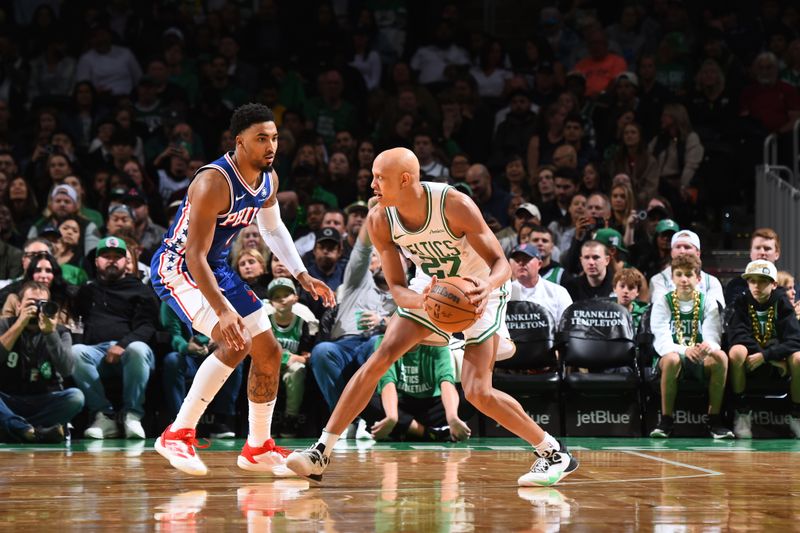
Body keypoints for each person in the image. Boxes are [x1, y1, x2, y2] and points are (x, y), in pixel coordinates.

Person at [286, 147, 578, 487]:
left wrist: (484, 286)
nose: (372, 185)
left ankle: (554, 453)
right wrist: (421, 301)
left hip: (477, 288)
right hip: (433, 286)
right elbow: (396, 286)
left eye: (380, 178)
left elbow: (501, 264)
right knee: (380, 358)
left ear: (406, 179)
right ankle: (321, 452)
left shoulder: (453, 204)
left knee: (478, 392)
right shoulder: (380, 217)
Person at [150, 104, 334, 476]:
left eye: (275, 138)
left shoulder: (269, 179)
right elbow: (194, 256)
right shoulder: (212, 182)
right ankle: (177, 433)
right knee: (236, 342)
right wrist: (221, 309)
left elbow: (272, 228)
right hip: (180, 266)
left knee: (269, 351)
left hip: (216, 267)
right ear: (240, 142)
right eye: (262, 139)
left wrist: (302, 275)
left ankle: (257, 448)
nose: (271, 146)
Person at [71, 237, 159, 440]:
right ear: (96, 262)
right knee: (75, 352)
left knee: (137, 348)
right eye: (106, 256)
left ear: (125, 261)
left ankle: (132, 415)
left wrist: (122, 345)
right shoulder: (87, 291)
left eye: (117, 257)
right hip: (97, 354)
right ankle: (104, 416)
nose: (112, 260)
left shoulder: (140, 290)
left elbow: (148, 326)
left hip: (132, 355)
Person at [649, 254, 732, 439]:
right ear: (672, 278)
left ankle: (714, 419)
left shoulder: (708, 302)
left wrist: (705, 348)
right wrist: (685, 350)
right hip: (673, 357)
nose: (684, 279)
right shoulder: (663, 302)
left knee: (721, 357)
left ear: (698, 278)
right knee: (671, 358)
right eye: (679, 274)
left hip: (700, 358)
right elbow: (661, 342)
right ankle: (666, 421)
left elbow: (713, 337)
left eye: (689, 274)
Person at [0, 282, 83, 443]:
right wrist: (19, 324)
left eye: (42, 304)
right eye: (31, 303)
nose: (37, 308)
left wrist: (50, 333)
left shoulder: (60, 332)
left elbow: (66, 369)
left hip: (44, 399)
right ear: (18, 305)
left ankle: (15, 428)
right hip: (9, 398)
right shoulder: (4, 325)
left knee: (76, 398)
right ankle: (33, 431)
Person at [727, 261, 800, 439]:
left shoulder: (782, 303)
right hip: (751, 361)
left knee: (799, 358)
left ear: (774, 284)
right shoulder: (742, 302)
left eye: (762, 281)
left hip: (778, 363)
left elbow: (795, 340)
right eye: (752, 281)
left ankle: (796, 414)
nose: (756, 286)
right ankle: (742, 411)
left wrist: (766, 356)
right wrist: (765, 356)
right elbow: (737, 336)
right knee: (736, 351)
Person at [365, 338, 471, 442]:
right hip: (398, 404)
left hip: (430, 406)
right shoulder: (386, 341)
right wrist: (392, 417)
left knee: (469, 396)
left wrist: (452, 417)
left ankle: (404, 430)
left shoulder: (438, 341)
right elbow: (387, 383)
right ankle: (431, 433)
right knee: (365, 398)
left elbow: (446, 382)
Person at [266, 278, 315, 438]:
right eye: (276, 296)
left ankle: (290, 418)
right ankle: (265, 420)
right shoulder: (265, 323)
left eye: (286, 294)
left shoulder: (302, 324)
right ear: (271, 302)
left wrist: (296, 359)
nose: (281, 299)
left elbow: (307, 356)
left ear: (295, 298)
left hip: (289, 368)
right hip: (268, 366)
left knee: (298, 370)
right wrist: (285, 356)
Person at [649, 230, 725, 308]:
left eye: (687, 247)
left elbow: (716, 311)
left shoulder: (711, 282)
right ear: (671, 252)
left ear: (698, 253)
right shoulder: (658, 279)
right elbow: (660, 308)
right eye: (678, 247)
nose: (682, 251)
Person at [509, 243, 572, 323]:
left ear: (539, 264)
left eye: (526, 259)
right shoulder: (505, 293)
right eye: (517, 260)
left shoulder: (558, 292)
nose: (521, 263)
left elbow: (567, 325)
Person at [724, 228, 781, 306]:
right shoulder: (735, 286)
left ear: (777, 254)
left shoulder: (788, 285)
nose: (762, 252)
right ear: (751, 252)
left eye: (767, 249)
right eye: (757, 248)